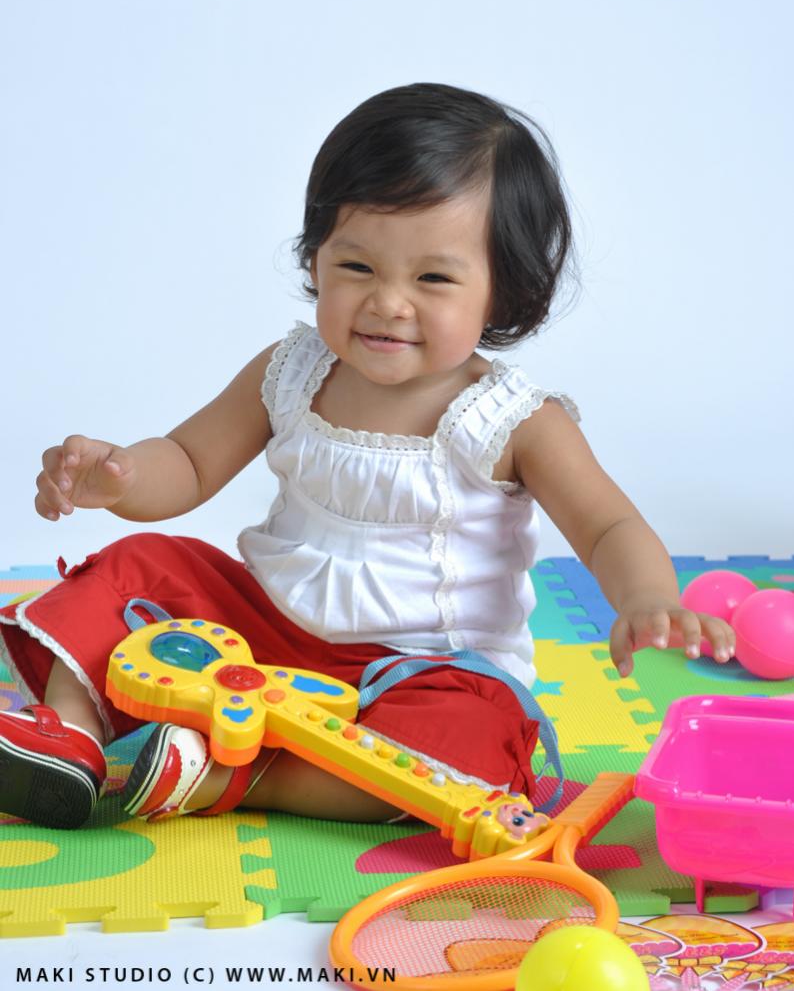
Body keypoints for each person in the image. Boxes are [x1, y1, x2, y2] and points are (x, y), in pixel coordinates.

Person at [0, 82, 735, 831]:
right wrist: (120, 478)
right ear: (316, 258)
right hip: (259, 641)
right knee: (137, 565)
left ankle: (229, 773)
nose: (387, 302)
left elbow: (607, 526)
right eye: (357, 267)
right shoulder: (290, 370)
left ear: (503, 292)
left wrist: (648, 599)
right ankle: (68, 739)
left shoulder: (517, 421)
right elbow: (189, 462)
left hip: (423, 673)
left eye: (433, 278)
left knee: (476, 748)